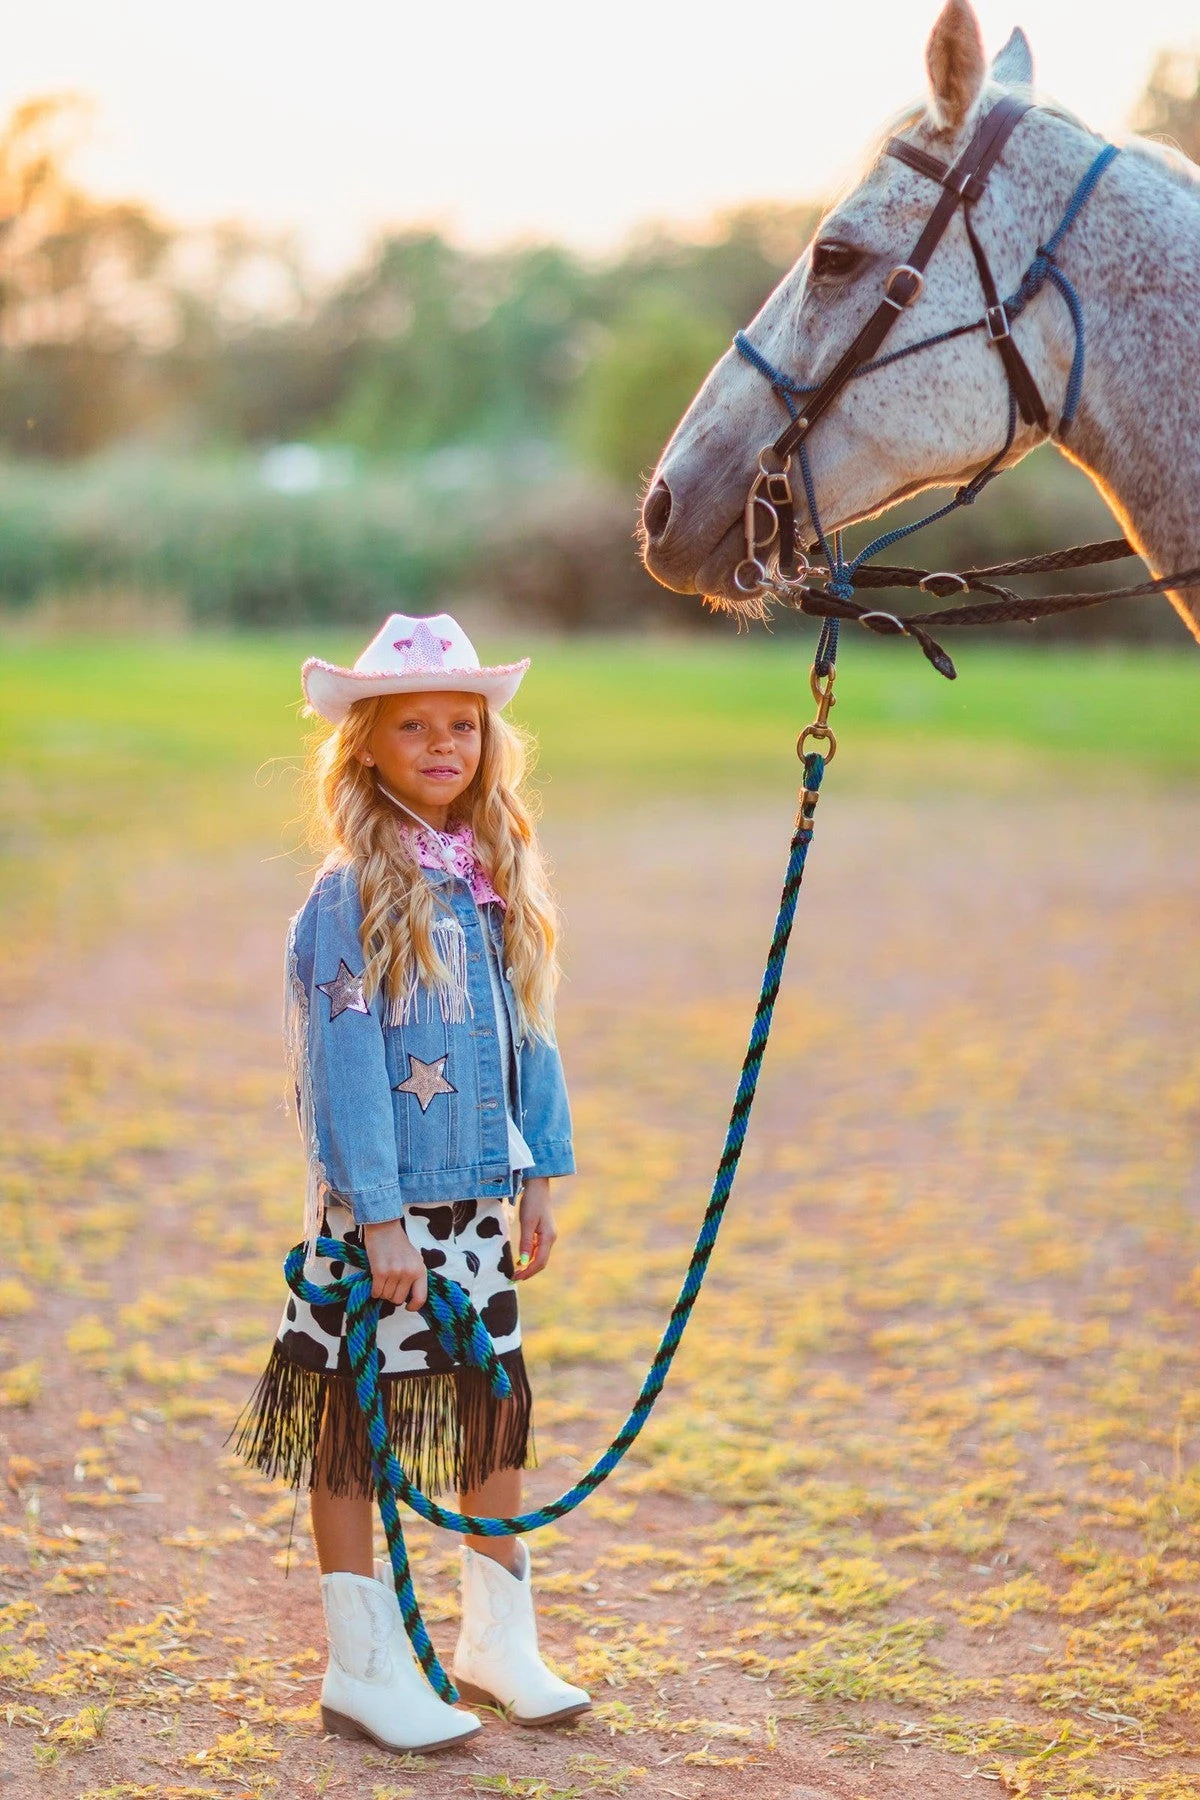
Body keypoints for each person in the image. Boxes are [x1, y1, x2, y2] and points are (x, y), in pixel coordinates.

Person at [235, 613, 590, 1753]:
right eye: (415, 727)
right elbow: (342, 1071)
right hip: (381, 1211)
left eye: (462, 726)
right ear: (366, 746)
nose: (444, 745)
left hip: (482, 1198)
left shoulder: (494, 878)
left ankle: (498, 1639)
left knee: (493, 1406)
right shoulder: (348, 895)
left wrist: (539, 1174)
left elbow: (532, 1033)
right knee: (355, 1419)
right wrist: (380, 1219)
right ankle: (364, 1665)